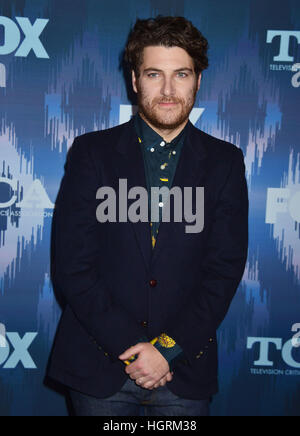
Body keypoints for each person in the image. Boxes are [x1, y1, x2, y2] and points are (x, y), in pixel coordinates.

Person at [46, 16, 248, 416]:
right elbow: (73, 266)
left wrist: (166, 352)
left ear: (198, 81)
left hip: (183, 372)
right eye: (155, 74)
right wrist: (137, 354)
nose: (169, 90)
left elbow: (223, 271)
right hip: (97, 369)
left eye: (182, 74)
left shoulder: (225, 163)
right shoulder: (91, 154)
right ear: (135, 81)